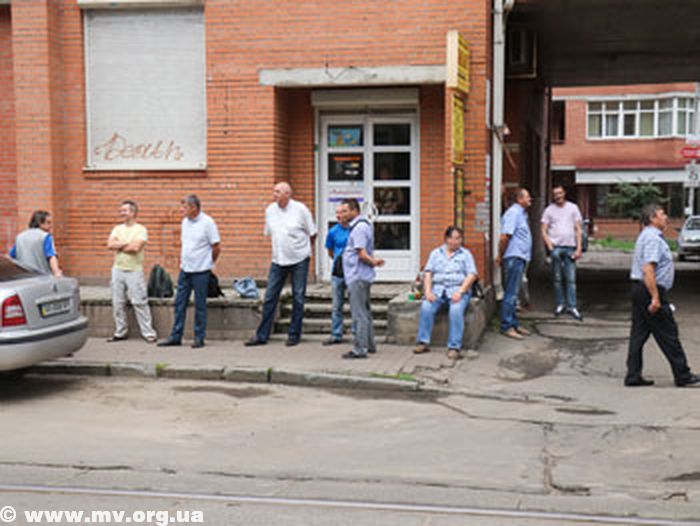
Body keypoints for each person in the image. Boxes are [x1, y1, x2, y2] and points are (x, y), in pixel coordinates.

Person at [625, 204, 700, 387]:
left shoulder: (646, 236)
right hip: (649, 289)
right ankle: (683, 375)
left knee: (639, 334)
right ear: (652, 218)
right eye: (662, 214)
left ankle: (633, 375)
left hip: (640, 289)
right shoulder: (652, 238)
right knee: (668, 333)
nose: (666, 217)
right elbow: (648, 269)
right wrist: (655, 297)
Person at [246, 183, 317, 347]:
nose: (274, 194)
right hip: (278, 259)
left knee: (298, 297)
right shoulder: (270, 210)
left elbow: (312, 233)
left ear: (287, 194)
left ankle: (294, 334)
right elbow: (269, 232)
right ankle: (262, 335)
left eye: (278, 192)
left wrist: (304, 250)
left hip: (299, 259)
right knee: (270, 296)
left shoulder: (300, 210)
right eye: (274, 191)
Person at [158, 195, 220, 349]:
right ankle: (175, 336)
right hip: (185, 269)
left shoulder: (208, 223)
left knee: (200, 304)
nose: (182, 210)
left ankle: (199, 337)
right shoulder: (185, 222)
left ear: (194, 208)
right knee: (179, 303)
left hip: (201, 270)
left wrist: (209, 262)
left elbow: (216, 246)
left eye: (185, 207)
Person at [414, 226, 478, 360]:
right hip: (438, 290)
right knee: (426, 306)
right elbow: (428, 273)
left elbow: (472, 274)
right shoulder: (435, 253)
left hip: (458, 290)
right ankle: (423, 342)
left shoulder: (465, 254)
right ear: (446, 239)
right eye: (452, 238)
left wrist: (460, 291)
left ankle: (454, 347)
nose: (455, 241)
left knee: (455, 310)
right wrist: (428, 291)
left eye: (458, 238)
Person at [106, 200, 157, 343]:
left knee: (139, 302)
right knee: (117, 303)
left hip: (134, 271)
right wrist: (126, 244)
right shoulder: (117, 229)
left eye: (125, 210)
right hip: (117, 270)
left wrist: (119, 245)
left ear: (133, 213)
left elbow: (135, 248)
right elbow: (110, 245)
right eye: (121, 210)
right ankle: (120, 331)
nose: (121, 213)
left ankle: (148, 332)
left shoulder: (140, 230)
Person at [340, 198, 384, 359]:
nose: (342, 214)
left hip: (357, 276)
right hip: (361, 275)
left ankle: (360, 348)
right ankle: (369, 345)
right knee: (365, 312)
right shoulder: (361, 226)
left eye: (345, 211)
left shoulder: (359, 228)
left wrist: (374, 262)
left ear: (354, 211)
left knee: (359, 314)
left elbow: (362, 253)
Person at [541, 185, 584, 321]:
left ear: (564, 193)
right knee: (557, 278)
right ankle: (560, 304)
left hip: (570, 247)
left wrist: (579, 248)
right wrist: (549, 246)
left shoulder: (573, 208)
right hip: (556, 248)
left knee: (571, 279)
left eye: (560, 193)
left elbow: (578, 229)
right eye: (555, 194)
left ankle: (572, 306)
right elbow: (543, 229)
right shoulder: (549, 210)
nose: (558, 196)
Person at [498, 188, 533, 340]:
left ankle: (514, 324)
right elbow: (504, 237)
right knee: (511, 294)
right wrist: (501, 256)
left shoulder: (521, 213)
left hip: (520, 257)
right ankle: (507, 326)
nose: (530, 199)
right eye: (527, 197)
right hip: (514, 257)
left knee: (514, 294)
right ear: (519, 199)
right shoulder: (513, 213)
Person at [323, 202, 350, 345]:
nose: (339, 216)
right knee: (336, 305)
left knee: (355, 304)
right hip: (338, 271)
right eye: (337, 213)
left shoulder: (355, 229)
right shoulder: (333, 231)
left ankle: (357, 333)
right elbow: (330, 251)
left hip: (352, 271)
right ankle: (336, 334)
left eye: (342, 212)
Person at [9, 210, 62, 277]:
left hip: (23, 278)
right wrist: (57, 272)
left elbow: (11, 257)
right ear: (40, 223)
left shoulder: (20, 237)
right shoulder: (45, 236)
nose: (51, 226)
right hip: (43, 277)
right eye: (48, 223)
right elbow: (51, 257)